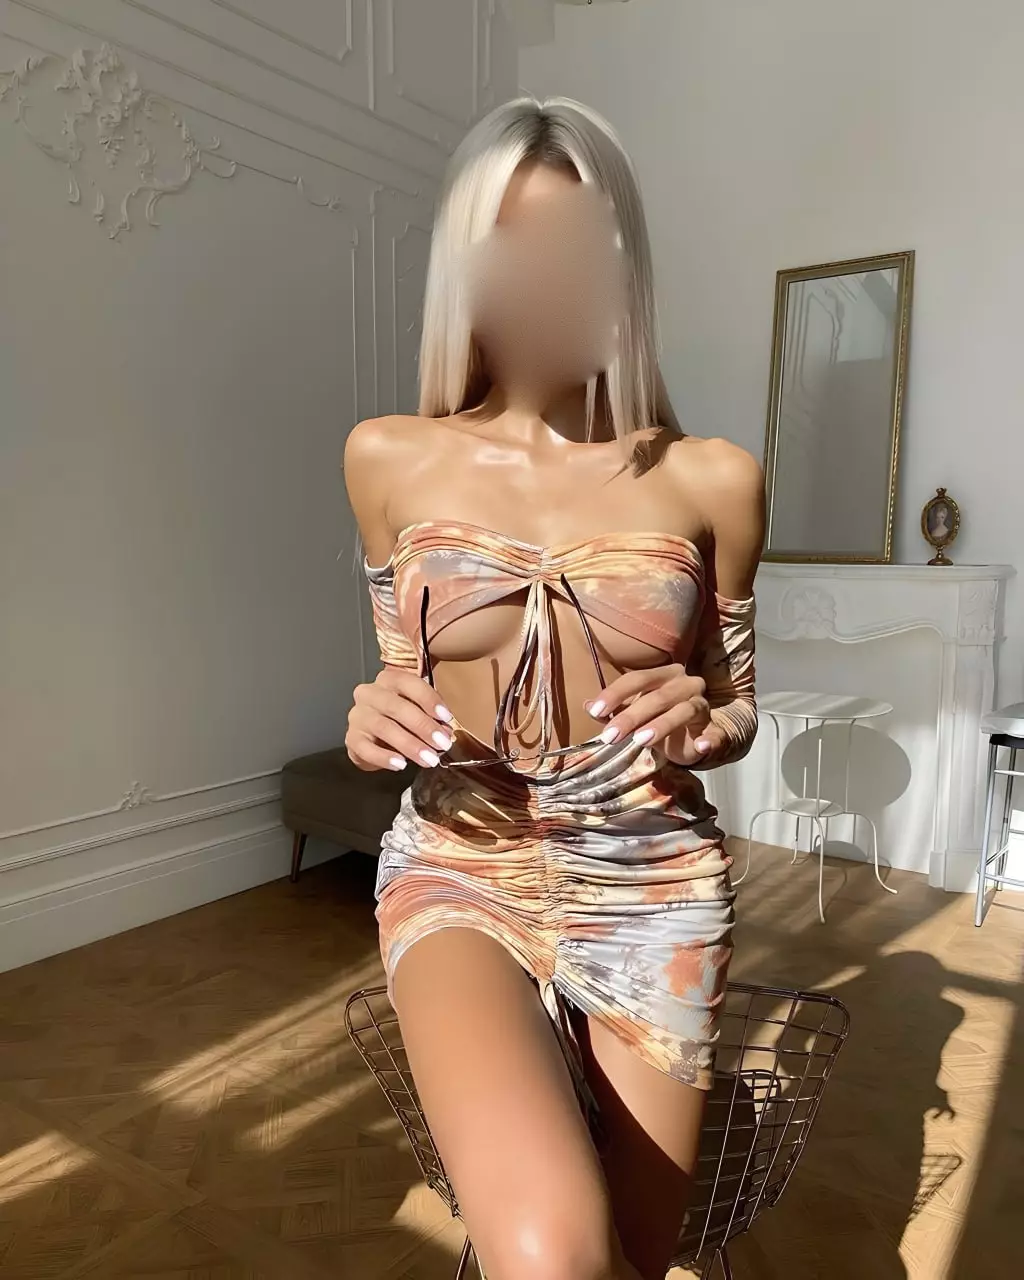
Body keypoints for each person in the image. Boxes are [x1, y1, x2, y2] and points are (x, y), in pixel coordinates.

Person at [344, 96, 764, 1280]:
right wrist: (372, 715)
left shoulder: (713, 478)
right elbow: (401, 673)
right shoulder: (386, 457)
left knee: (636, 1256)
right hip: (461, 863)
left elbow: (737, 702)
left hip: (651, 882)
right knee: (549, 1251)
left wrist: (706, 717)